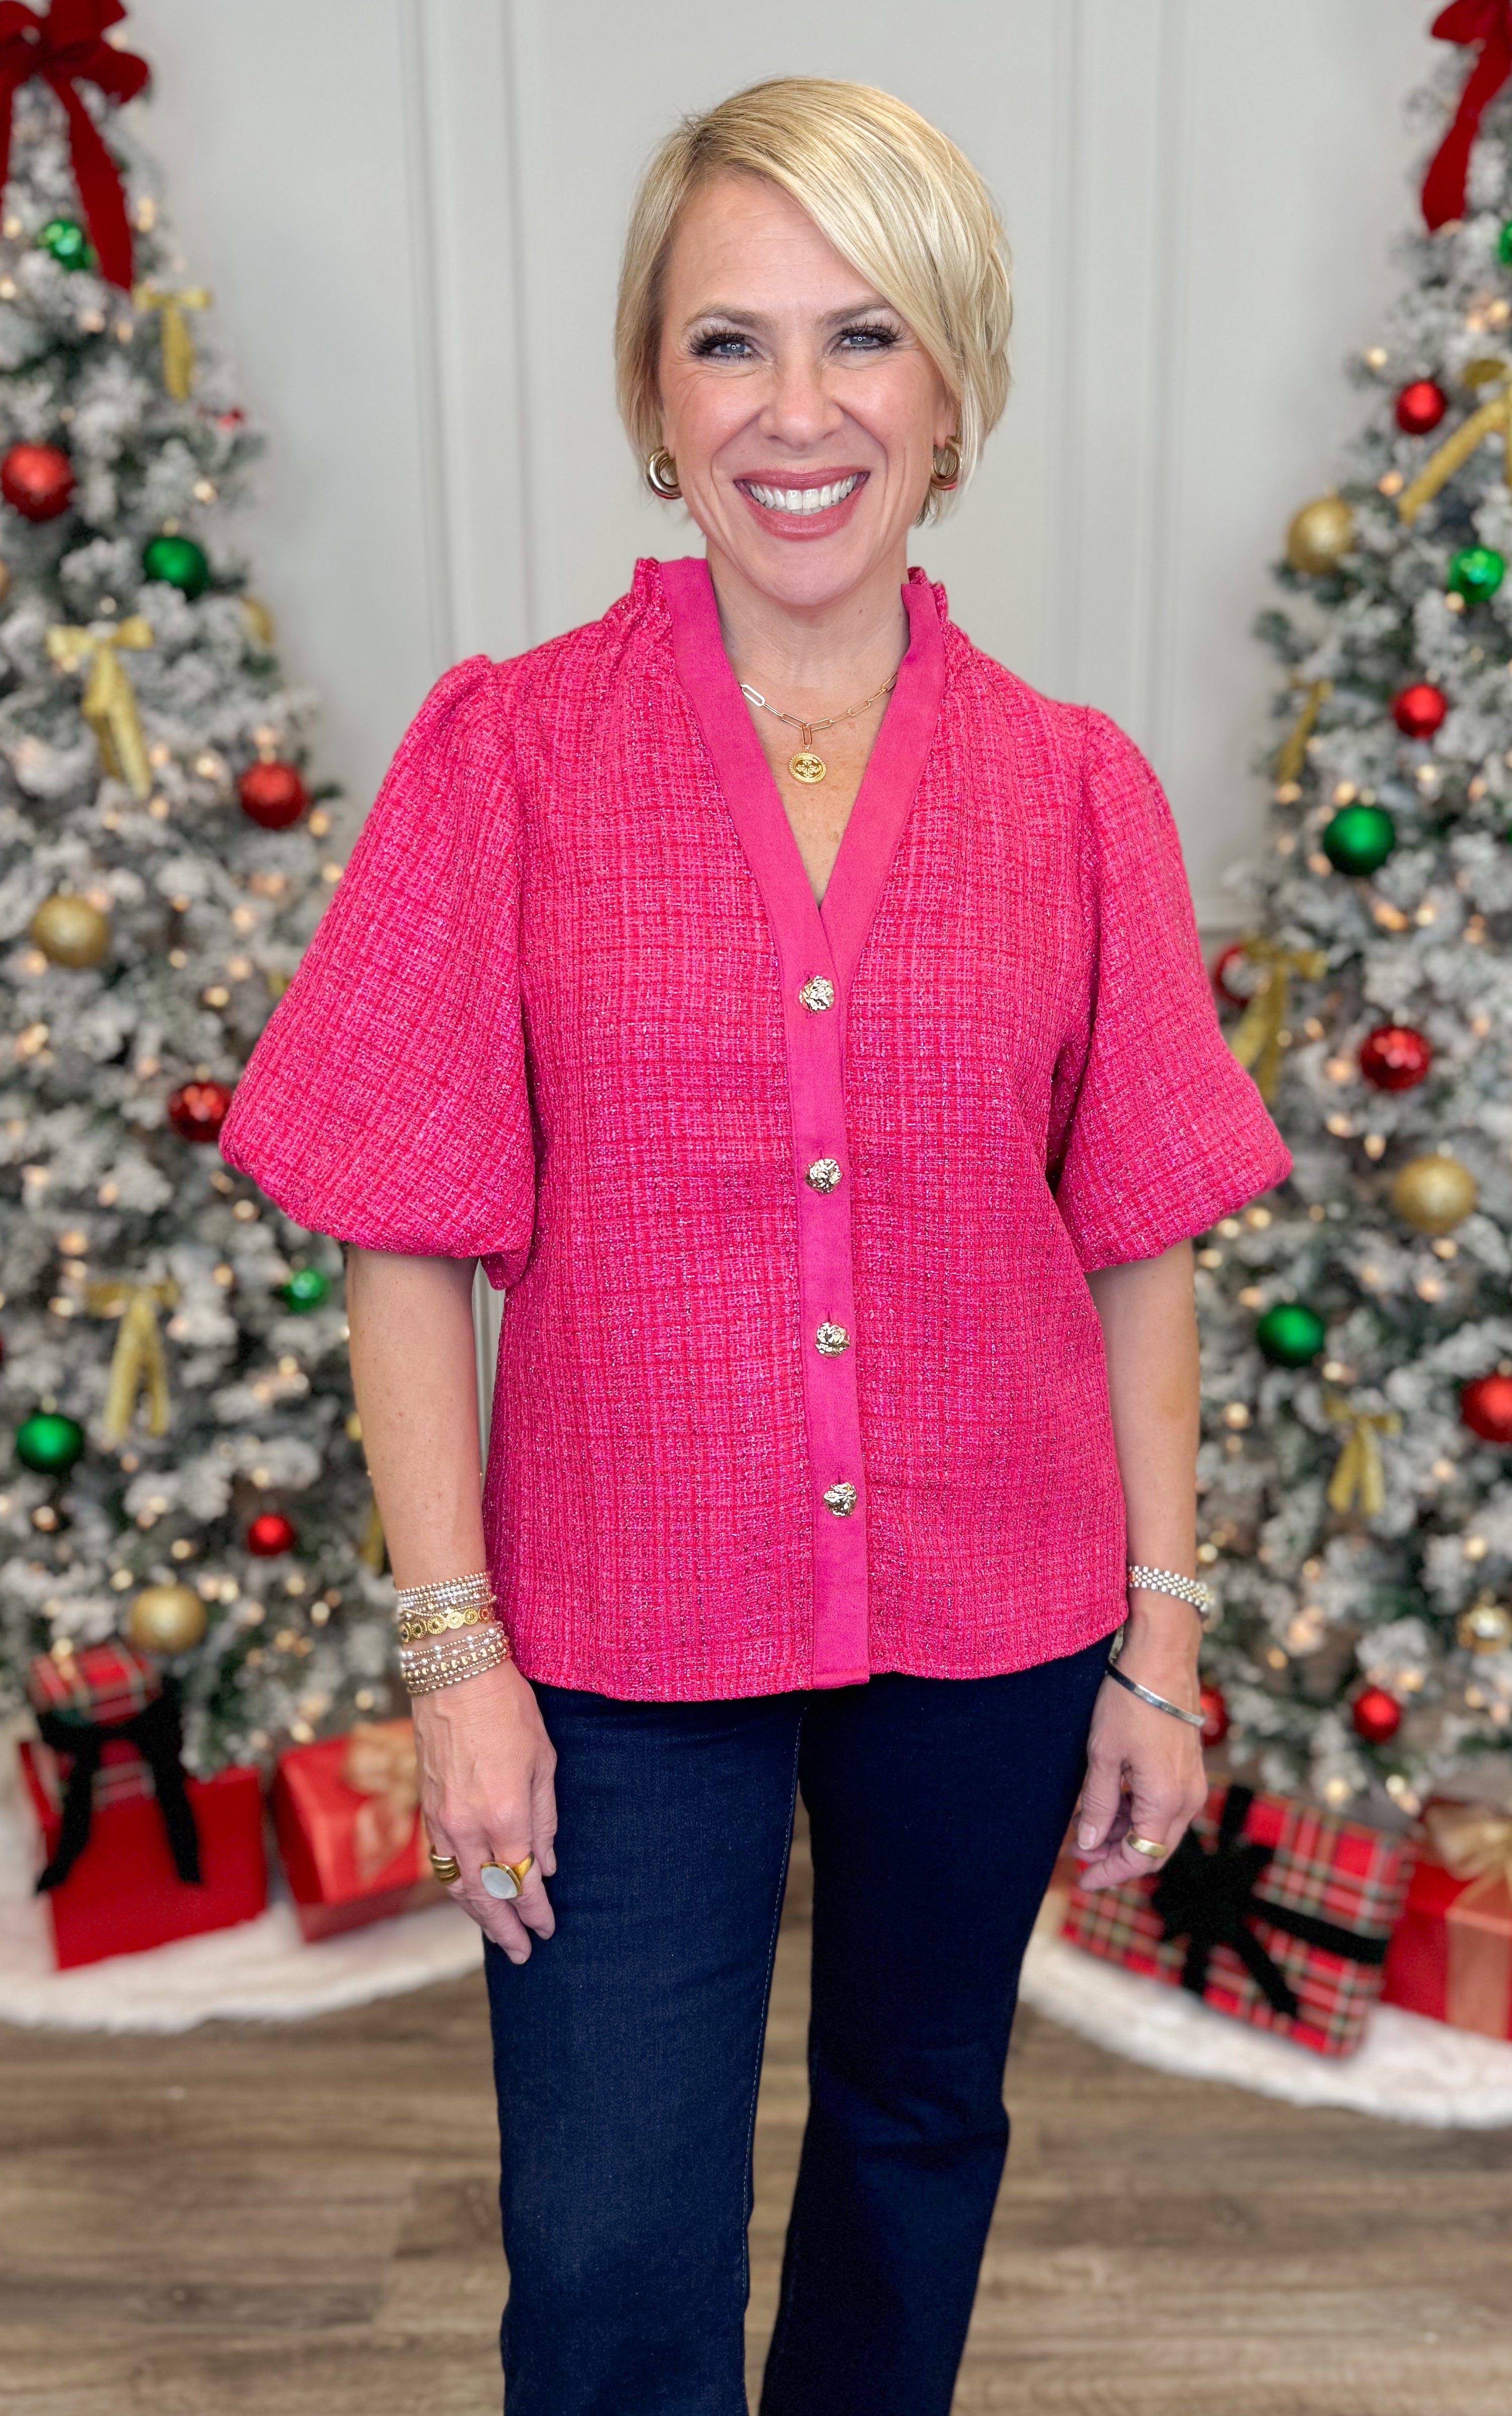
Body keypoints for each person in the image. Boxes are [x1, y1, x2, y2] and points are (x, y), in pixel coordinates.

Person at [221, 75, 1290, 2416]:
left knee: (917, 2140)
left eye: (861, 337)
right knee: (610, 2250)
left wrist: (1162, 1639)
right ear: (646, 390)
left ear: (952, 386)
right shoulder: (501, 757)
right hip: (606, 1631)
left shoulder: (1075, 785)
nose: (796, 412)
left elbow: (1135, 1237)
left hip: (997, 1611)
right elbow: (400, 1227)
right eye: (727, 344)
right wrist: (446, 1655)